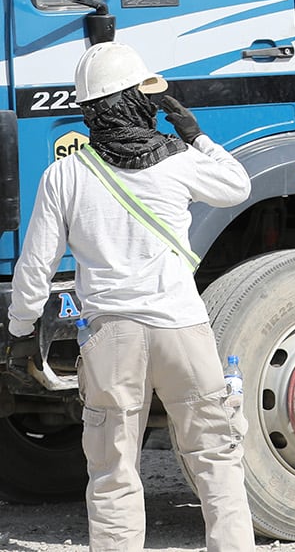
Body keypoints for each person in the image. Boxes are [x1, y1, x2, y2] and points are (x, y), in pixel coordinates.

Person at [3, 42, 255, 550]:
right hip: (182, 329)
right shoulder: (179, 161)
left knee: (113, 471)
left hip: (111, 339)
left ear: (90, 110)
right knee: (215, 459)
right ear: (140, 101)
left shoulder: (65, 175)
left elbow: (35, 268)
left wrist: (20, 330)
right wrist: (193, 130)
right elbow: (237, 185)